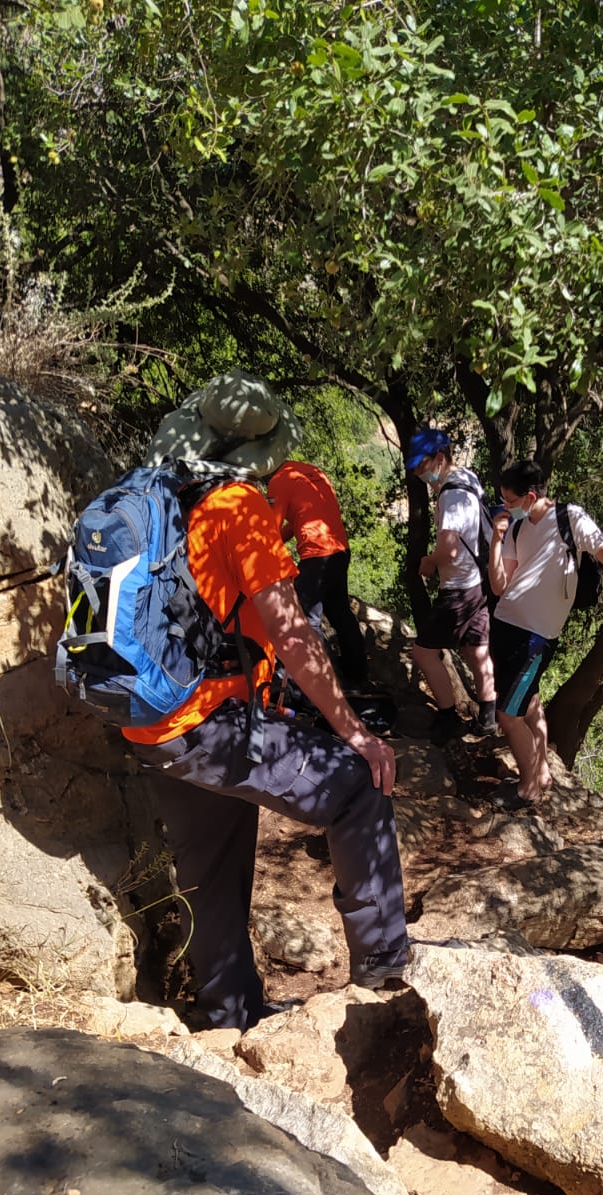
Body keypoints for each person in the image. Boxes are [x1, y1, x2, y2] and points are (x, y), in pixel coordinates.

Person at [127, 377, 408, 1031]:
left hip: (149, 723)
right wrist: (355, 732)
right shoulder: (236, 506)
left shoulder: (143, 495)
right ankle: (384, 978)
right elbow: (293, 631)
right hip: (210, 724)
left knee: (215, 867)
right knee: (360, 787)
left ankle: (230, 1019)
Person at [488, 459, 603, 810]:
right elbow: (500, 584)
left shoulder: (569, 518)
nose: (506, 507)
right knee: (528, 703)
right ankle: (542, 771)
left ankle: (528, 787)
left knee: (507, 715)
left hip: (536, 637)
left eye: (510, 501)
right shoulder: (516, 529)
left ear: (531, 496)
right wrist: (496, 541)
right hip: (505, 625)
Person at [403, 427, 497, 743]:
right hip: (481, 583)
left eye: (422, 466)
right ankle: (487, 717)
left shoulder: (451, 495)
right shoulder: (468, 479)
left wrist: (429, 562)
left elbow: (450, 550)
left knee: (423, 653)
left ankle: (448, 718)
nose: (419, 473)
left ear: (440, 458)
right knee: (476, 649)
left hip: (459, 588)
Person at [265, 458, 367, 687]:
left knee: (301, 618)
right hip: (340, 551)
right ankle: (357, 677)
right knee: (340, 614)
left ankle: (326, 682)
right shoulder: (311, 471)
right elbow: (297, 521)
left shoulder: (280, 481)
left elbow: (270, 531)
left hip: (317, 556)